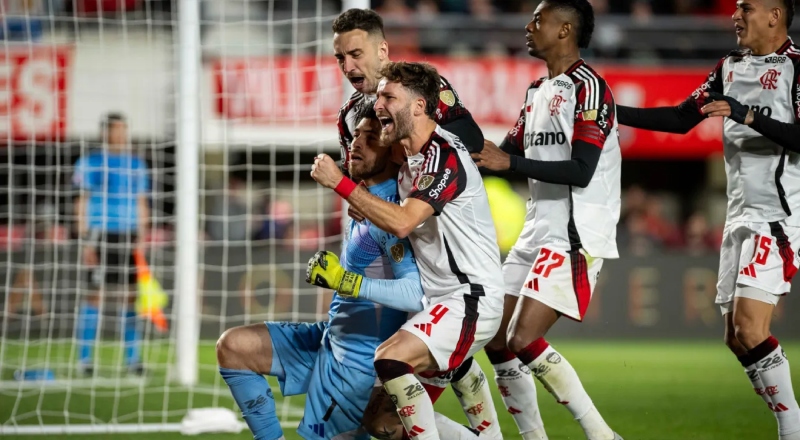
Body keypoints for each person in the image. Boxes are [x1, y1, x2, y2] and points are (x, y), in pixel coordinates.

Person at [217, 106, 481, 440]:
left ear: (393, 152)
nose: (357, 144)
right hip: (331, 337)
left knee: (386, 426)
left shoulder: (388, 211)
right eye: (356, 135)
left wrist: (345, 281)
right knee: (234, 346)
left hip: (358, 362)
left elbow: (415, 292)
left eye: (371, 138)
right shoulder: (364, 201)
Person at [616, 1, 800, 438]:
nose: (736, 16)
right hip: (739, 218)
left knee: (751, 329)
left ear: (775, 15)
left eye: (746, 8)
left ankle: (792, 427)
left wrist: (748, 114)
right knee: (735, 338)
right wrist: (612, 112)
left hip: (776, 217)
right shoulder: (728, 67)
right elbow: (682, 119)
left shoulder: (796, 69)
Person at [311, 61, 504, 440]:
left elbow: (403, 222)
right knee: (381, 419)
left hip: (471, 298)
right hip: (440, 302)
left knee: (391, 357)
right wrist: (363, 197)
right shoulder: (408, 160)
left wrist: (341, 185)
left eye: (388, 96)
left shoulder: (442, 155)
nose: (378, 104)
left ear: (418, 106)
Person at [472, 1, 624, 439]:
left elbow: (581, 170)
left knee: (521, 337)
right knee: (495, 337)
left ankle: (601, 434)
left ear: (565, 30)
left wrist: (510, 164)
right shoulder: (537, 91)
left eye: (538, 19)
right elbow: (500, 154)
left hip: (575, 234)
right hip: (537, 231)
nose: (528, 26)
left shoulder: (591, 88)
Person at [72, 112, 150, 376]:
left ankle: (133, 359)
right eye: (116, 130)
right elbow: (81, 200)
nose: (120, 135)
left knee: (130, 296)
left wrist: (142, 236)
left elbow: (141, 201)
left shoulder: (136, 164)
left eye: (124, 130)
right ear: (105, 133)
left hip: (129, 235)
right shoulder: (91, 162)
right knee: (95, 295)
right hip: (100, 232)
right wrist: (85, 240)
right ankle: (84, 360)